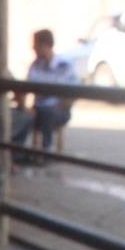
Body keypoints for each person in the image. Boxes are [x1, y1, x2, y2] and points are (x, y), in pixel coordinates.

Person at [12, 28, 78, 163]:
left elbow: (73, 93)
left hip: (59, 110)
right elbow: (26, 87)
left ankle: (47, 151)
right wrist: (23, 106)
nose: (33, 48)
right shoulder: (35, 66)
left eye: (36, 45)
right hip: (38, 109)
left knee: (47, 112)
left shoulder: (65, 65)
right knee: (20, 115)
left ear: (45, 45)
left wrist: (59, 106)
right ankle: (16, 153)